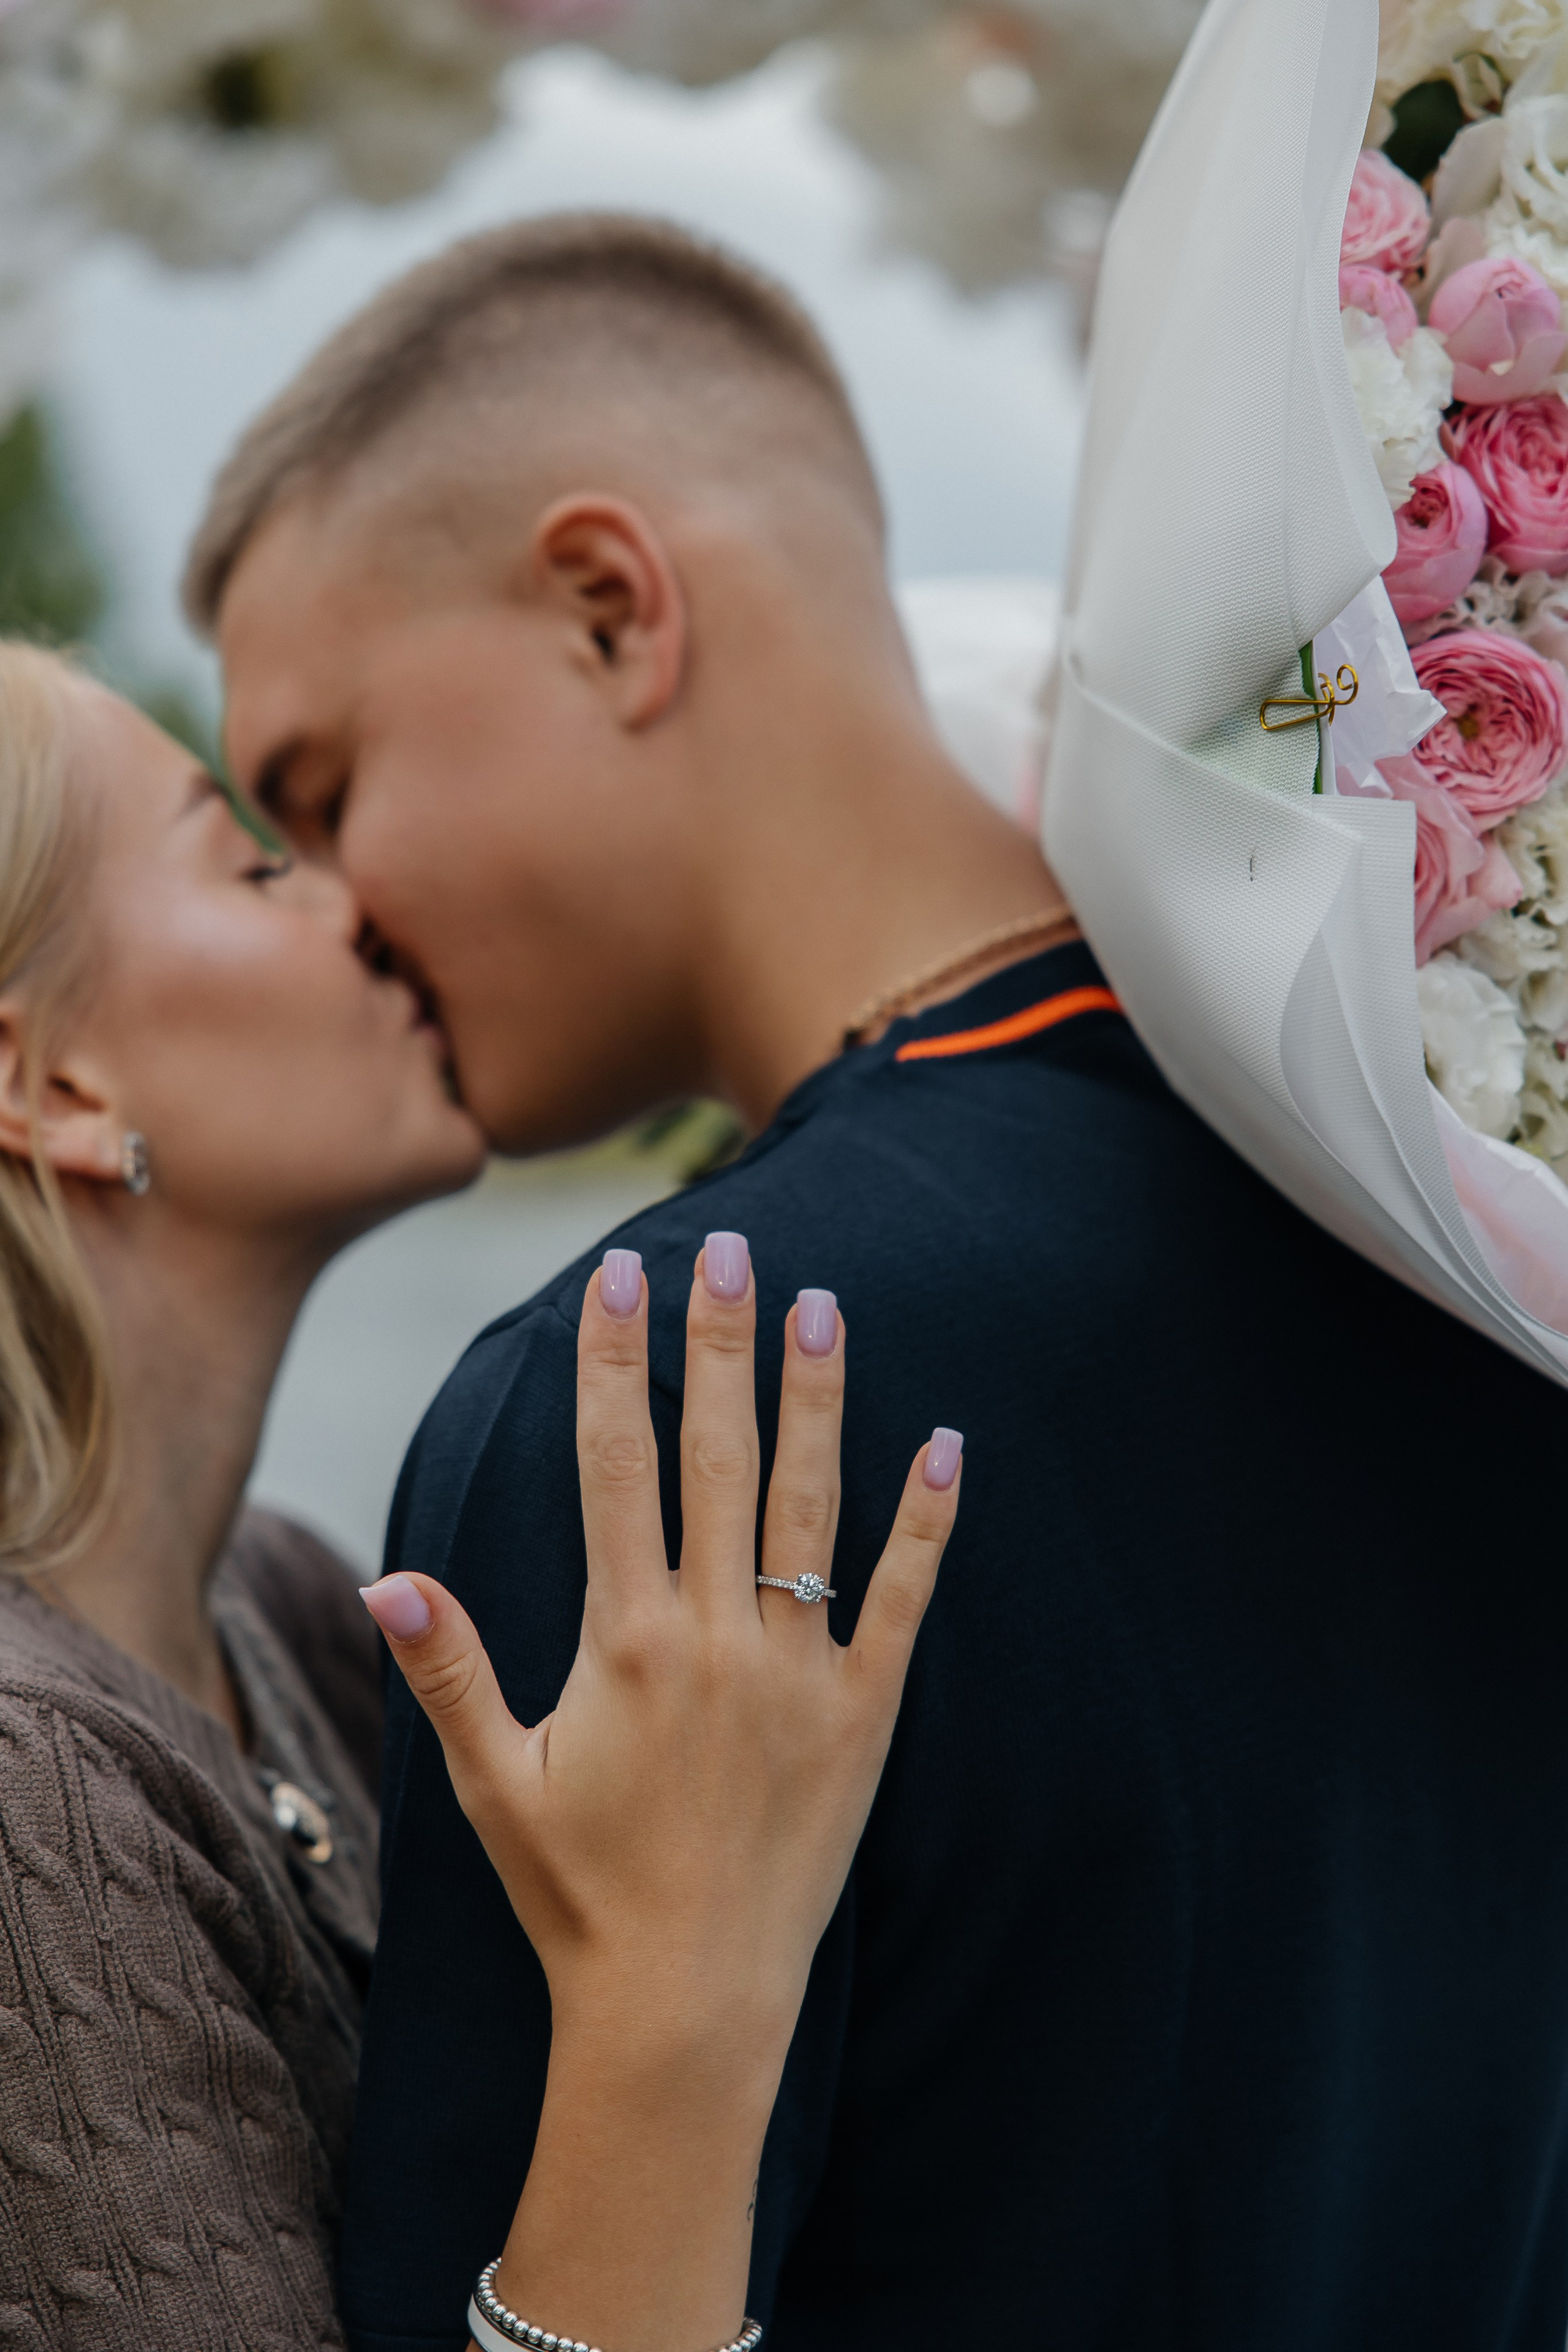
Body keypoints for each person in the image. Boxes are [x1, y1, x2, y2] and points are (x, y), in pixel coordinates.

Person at [197, 209, 1568, 2352]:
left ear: (605, 608)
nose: (339, 912)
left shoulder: (682, 1395)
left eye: (320, 784)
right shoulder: (1470, 1226)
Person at [0, 640, 960, 2351]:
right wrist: (680, 1995)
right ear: (52, 1088)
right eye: (246, 855)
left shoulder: (282, 1600)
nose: (356, 902)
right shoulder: (22, 1794)